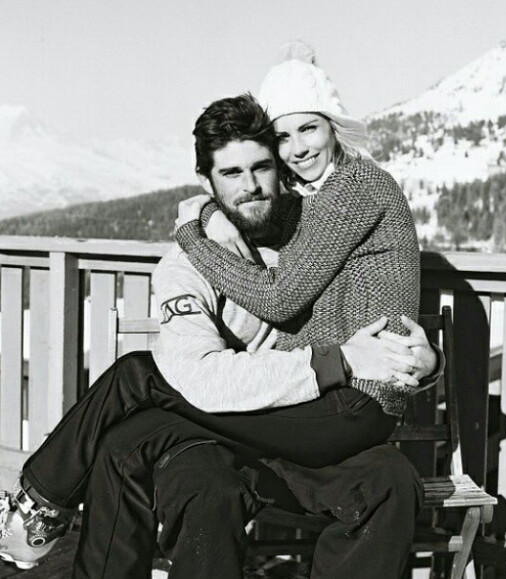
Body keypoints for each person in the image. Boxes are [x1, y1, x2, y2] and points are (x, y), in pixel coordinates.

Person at [0, 94, 440, 577]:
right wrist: (201, 225)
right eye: (231, 174)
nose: (251, 186)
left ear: (281, 167)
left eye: (261, 167)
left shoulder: (313, 231)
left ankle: (40, 496)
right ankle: (44, 504)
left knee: (391, 479)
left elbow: (374, 298)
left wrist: (419, 362)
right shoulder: (187, 266)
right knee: (141, 438)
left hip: (306, 423)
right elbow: (202, 381)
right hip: (228, 431)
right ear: (207, 182)